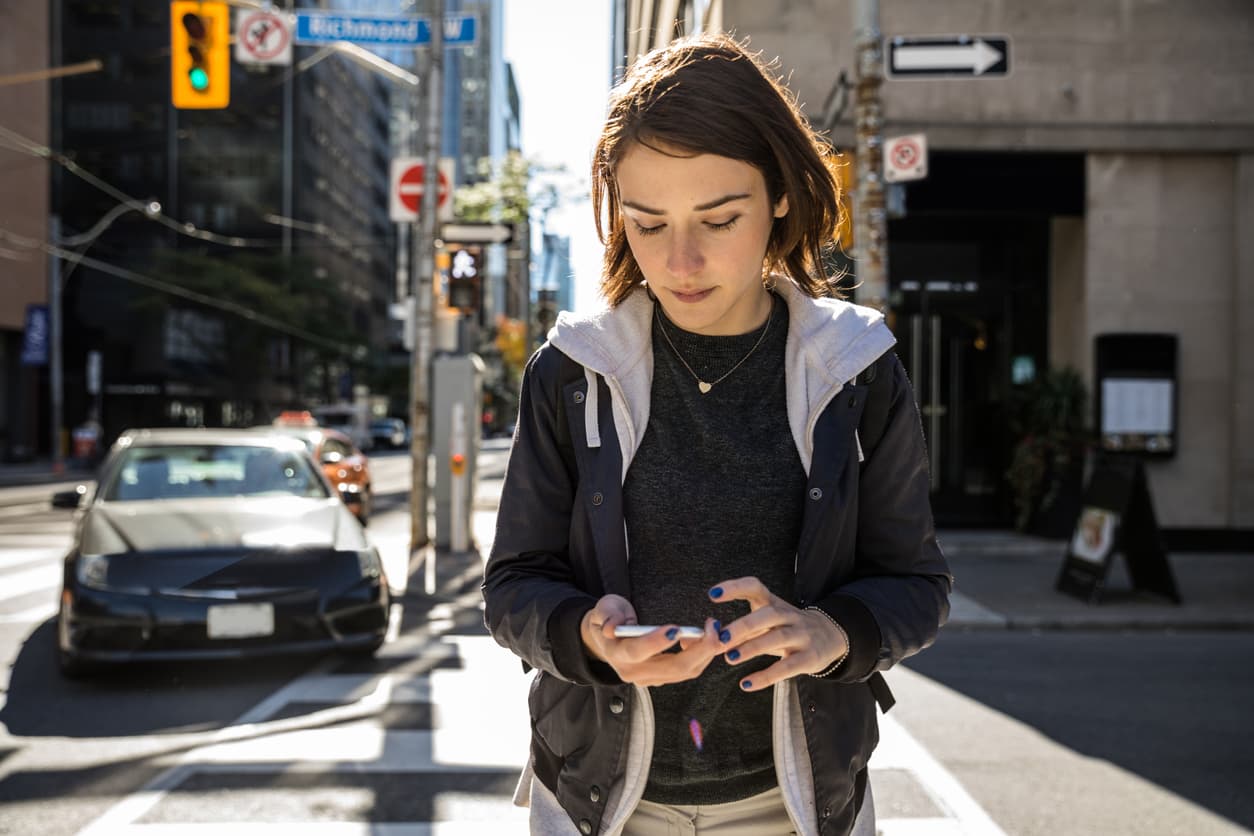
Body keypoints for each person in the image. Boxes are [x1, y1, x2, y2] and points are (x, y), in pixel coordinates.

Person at [482, 33, 952, 836]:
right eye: (647, 222)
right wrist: (589, 637)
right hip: (599, 801)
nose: (681, 258)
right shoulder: (572, 370)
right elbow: (513, 586)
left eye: (719, 217)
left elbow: (915, 585)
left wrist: (829, 632)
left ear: (778, 198)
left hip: (798, 805)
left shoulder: (857, 367)